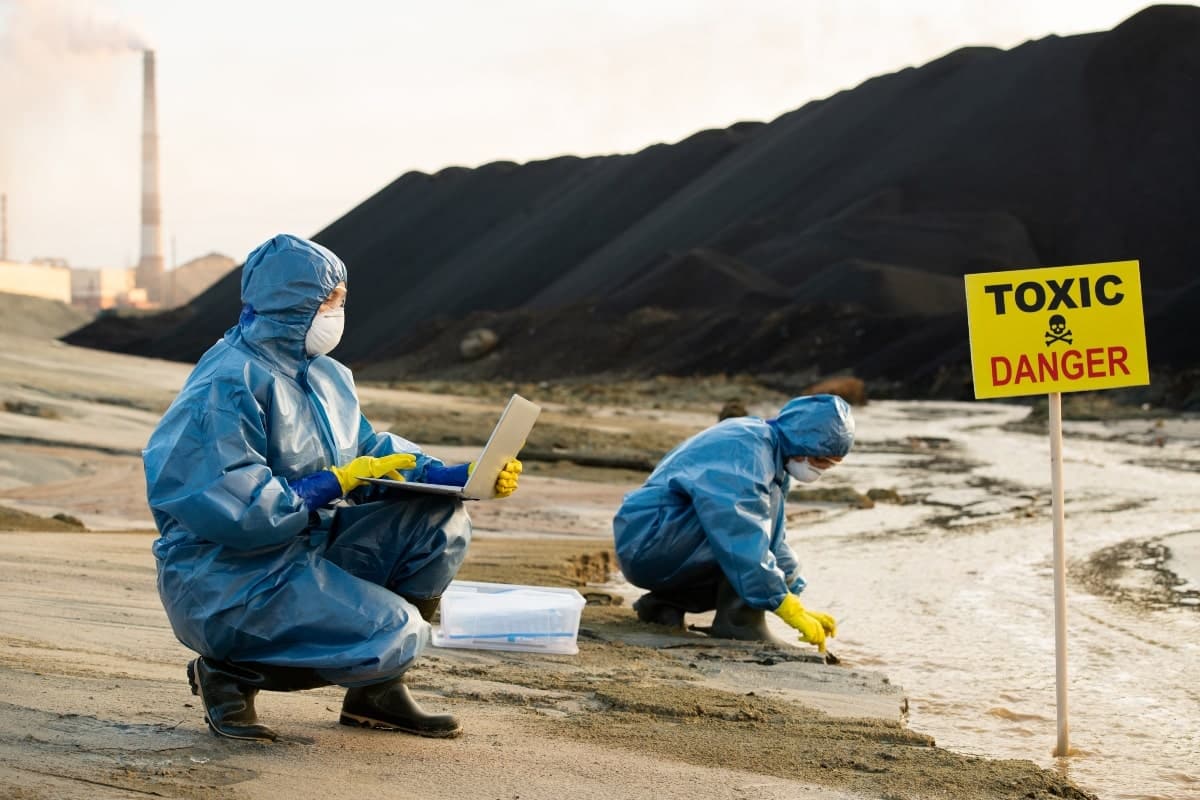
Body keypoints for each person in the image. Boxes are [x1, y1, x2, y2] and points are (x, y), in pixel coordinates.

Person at [143, 233, 521, 743]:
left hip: (300, 547)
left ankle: (377, 694)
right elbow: (233, 506)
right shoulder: (224, 385)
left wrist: (449, 476)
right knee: (394, 632)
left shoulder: (325, 376)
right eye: (331, 303)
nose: (338, 314)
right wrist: (325, 486)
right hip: (228, 577)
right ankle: (229, 674)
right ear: (293, 304)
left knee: (437, 523)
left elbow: (368, 451)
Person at [612, 394, 853, 651]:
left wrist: (793, 595)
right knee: (744, 542)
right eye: (819, 461)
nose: (820, 470)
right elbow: (740, 533)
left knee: (769, 553)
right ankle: (740, 623)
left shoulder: (772, 454)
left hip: (663, 539)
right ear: (801, 439)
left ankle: (665, 605)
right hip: (649, 539)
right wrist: (782, 603)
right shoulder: (747, 451)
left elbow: (774, 540)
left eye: (830, 465)